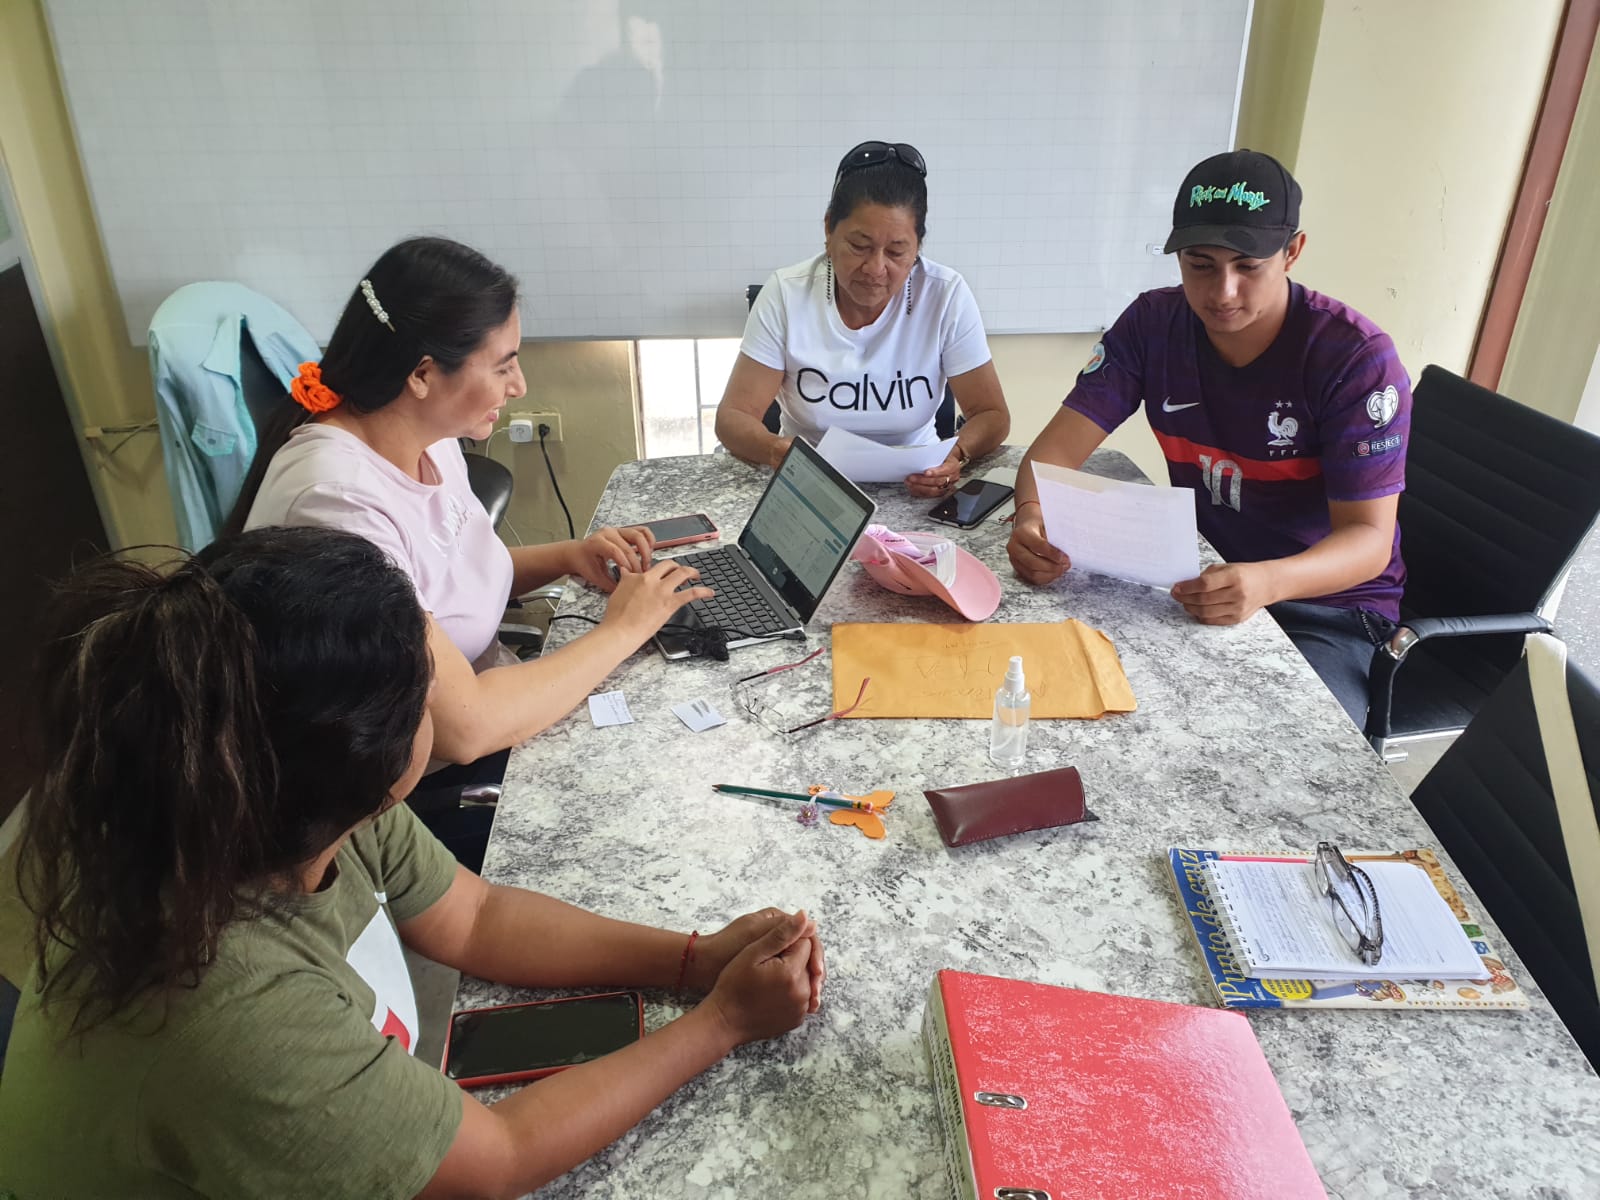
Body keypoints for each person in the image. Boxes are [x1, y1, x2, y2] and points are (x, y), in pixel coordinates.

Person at [0, 526, 824, 1199]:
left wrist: (692, 960)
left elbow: (477, 917)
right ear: (376, 749)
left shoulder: (271, 792)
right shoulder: (230, 1012)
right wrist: (724, 1021)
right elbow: (498, 1158)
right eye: (432, 687)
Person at [228, 236, 713, 776]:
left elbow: (446, 577)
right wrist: (623, 630)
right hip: (399, 776)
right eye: (503, 367)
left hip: (485, 695)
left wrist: (569, 556)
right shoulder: (337, 506)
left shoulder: (426, 434)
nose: (519, 386)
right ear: (422, 375)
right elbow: (466, 729)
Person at [1007, 150, 1411, 726]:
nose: (1223, 291)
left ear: (1292, 251)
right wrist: (1030, 518)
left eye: (1248, 266)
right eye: (1200, 265)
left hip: (1326, 610)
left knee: (1289, 747)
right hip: (1198, 582)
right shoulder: (1153, 325)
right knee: (1073, 698)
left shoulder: (1353, 359)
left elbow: (1370, 542)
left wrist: (1267, 581)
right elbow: (1050, 459)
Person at [715, 140, 1011, 498]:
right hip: (810, 486)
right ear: (829, 230)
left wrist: (956, 455)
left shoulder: (945, 295)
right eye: (859, 246)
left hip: (917, 487)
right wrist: (774, 449)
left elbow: (991, 414)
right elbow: (733, 417)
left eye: (897, 252)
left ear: (918, 246)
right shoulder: (787, 293)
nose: (875, 268)